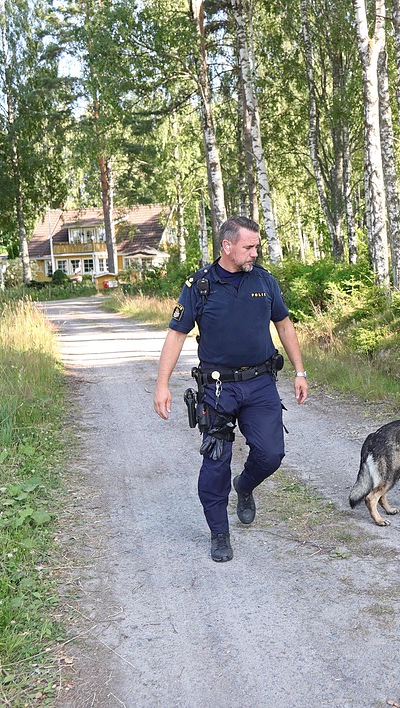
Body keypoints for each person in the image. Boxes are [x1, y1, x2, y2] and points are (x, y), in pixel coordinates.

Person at [153, 216, 308, 562]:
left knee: (271, 454)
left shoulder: (265, 282)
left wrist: (300, 371)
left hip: (260, 384)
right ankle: (219, 532)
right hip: (218, 389)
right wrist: (161, 384)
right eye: (249, 247)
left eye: (256, 246)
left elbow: (284, 324)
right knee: (216, 461)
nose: (255, 252)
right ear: (227, 247)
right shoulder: (200, 286)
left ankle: (245, 486)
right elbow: (176, 335)